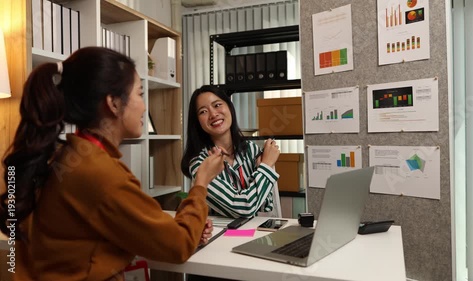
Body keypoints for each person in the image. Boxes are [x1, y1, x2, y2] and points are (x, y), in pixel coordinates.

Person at [0, 47, 225, 281]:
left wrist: (185, 224)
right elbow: (178, 245)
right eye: (139, 94)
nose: (144, 107)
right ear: (114, 103)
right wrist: (200, 184)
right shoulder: (98, 172)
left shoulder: (70, 157)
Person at [181, 85, 281, 218]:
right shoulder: (200, 164)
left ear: (229, 107)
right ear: (197, 122)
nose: (213, 114)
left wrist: (259, 174)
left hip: (254, 232)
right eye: (203, 111)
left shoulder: (251, 149)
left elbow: (264, 205)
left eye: (217, 105)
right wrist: (266, 166)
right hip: (222, 236)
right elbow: (244, 209)